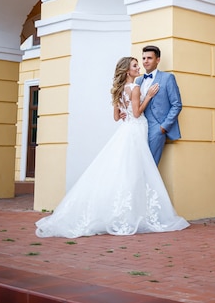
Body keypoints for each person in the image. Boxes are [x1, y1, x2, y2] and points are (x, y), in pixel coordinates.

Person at [35, 57, 189, 238]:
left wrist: (126, 112)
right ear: (127, 71)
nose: (138, 67)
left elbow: (117, 117)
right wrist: (148, 97)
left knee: (124, 170)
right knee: (136, 170)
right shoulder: (135, 87)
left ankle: (123, 212)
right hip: (136, 129)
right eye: (135, 65)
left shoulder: (118, 89)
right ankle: (132, 213)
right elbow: (138, 112)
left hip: (126, 129)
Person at [136, 45, 182, 165]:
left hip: (157, 128)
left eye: (149, 58)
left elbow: (176, 104)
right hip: (139, 127)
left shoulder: (168, 78)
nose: (146, 61)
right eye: (144, 58)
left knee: (150, 164)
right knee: (138, 163)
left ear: (158, 60)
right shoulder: (138, 81)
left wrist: (163, 127)